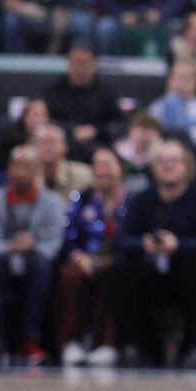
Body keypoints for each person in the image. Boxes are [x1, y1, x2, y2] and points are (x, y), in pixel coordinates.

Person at [113, 141, 196, 368]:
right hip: (149, 271)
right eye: (162, 161)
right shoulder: (142, 200)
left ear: (187, 166)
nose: (168, 166)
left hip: (186, 272)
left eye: (174, 161)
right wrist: (144, 243)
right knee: (122, 270)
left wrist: (178, 245)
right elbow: (122, 238)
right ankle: (133, 347)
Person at [0, 145, 65, 363]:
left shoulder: (53, 202)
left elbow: (52, 244)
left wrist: (32, 245)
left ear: (38, 170)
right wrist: (11, 247)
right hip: (4, 257)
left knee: (41, 266)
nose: (20, 172)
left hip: (36, 260)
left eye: (27, 166)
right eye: (16, 165)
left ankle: (30, 340)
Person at [58, 147, 130, 366]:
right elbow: (68, 235)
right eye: (97, 165)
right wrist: (79, 257)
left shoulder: (133, 200)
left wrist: (112, 259)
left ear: (120, 168)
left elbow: (134, 235)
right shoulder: (82, 199)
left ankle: (105, 344)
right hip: (85, 259)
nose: (102, 171)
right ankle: (72, 342)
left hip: (119, 261)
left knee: (114, 276)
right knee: (70, 276)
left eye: (108, 164)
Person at [43, 46, 123, 154]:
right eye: (75, 63)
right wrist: (71, 131)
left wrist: (96, 131)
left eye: (84, 64)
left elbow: (119, 124)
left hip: (98, 147)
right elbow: (46, 121)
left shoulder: (106, 92)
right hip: (62, 147)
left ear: (95, 64)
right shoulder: (53, 90)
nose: (80, 69)